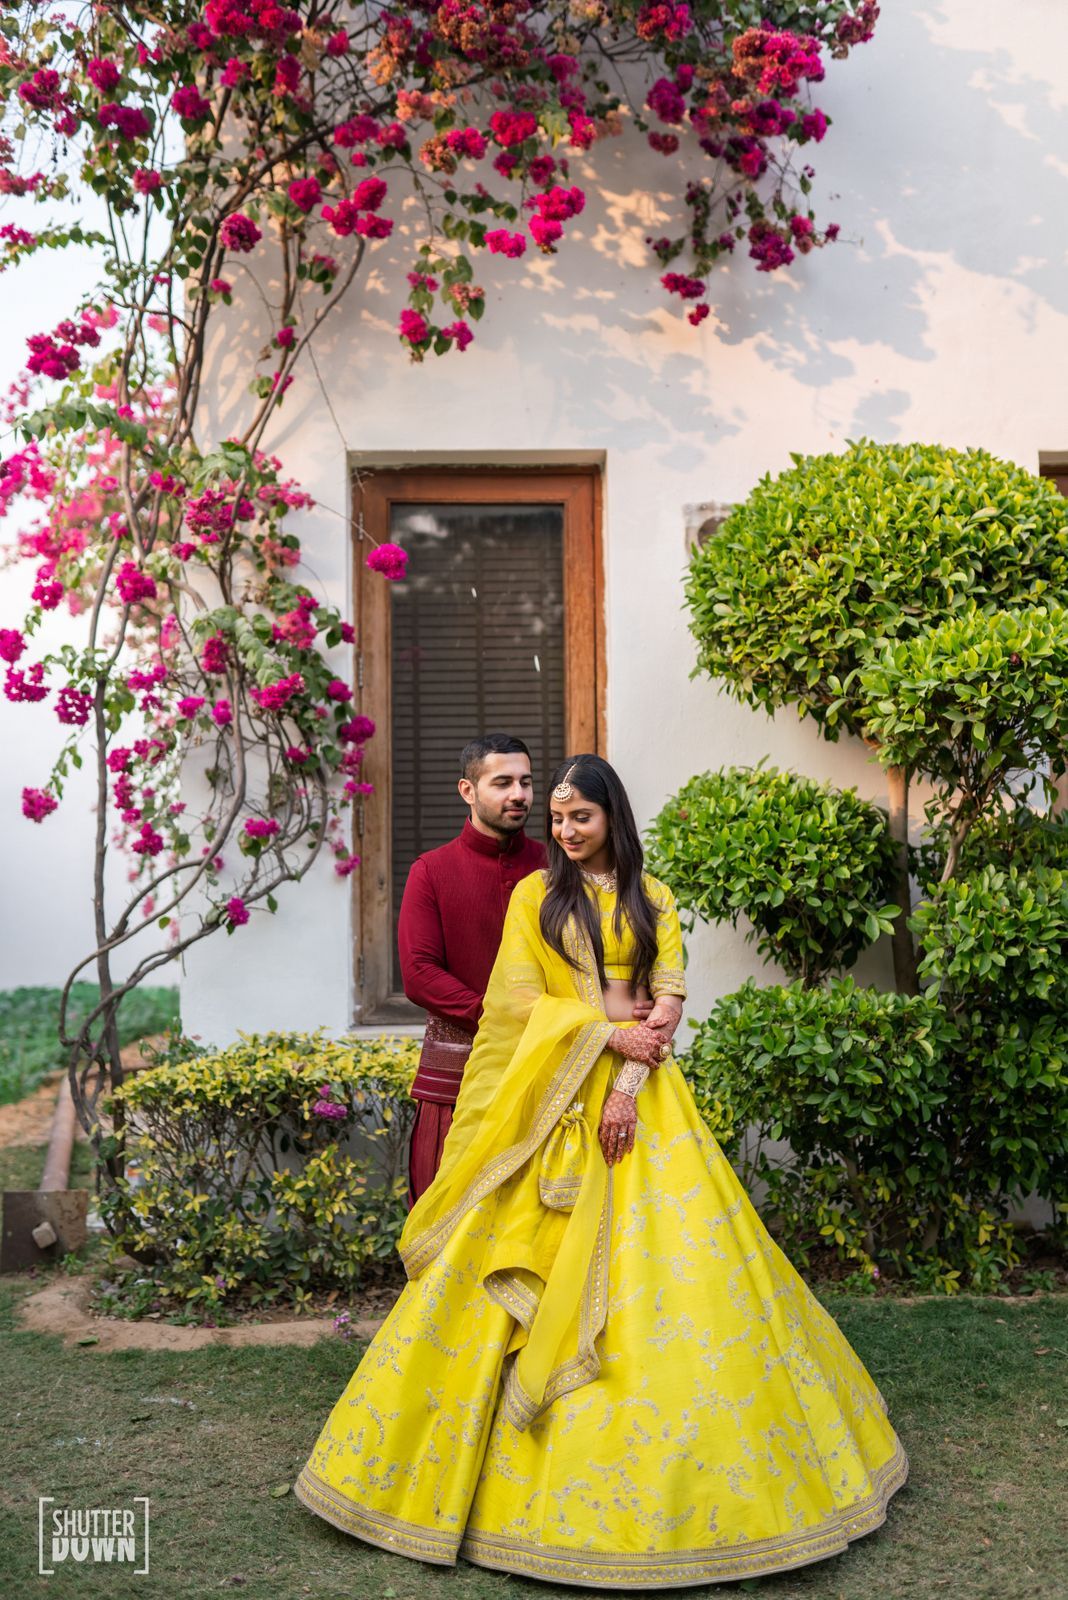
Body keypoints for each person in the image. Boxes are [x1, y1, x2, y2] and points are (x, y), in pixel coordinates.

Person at [296, 754, 907, 1588]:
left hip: (648, 1098)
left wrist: (629, 1070)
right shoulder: (535, 898)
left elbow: (669, 998)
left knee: (688, 1278)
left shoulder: (654, 896)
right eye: (555, 815)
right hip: (554, 1097)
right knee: (512, 1263)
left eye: (577, 815)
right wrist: (604, 1037)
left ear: (610, 815)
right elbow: (516, 1003)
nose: (562, 828)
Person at [397, 733, 548, 1204]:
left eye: (525, 782)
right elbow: (419, 973)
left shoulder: (556, 866)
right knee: (446, 1216)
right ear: (468, 790)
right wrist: (498, 1018)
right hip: (456, 1077)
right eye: (502, 782)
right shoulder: (432, 870)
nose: (518, 794)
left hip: (546, 1066)